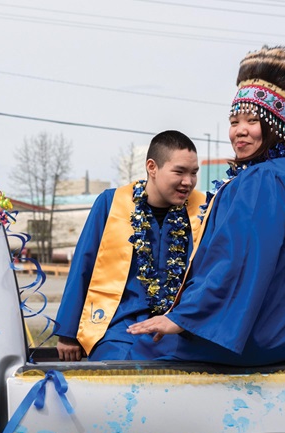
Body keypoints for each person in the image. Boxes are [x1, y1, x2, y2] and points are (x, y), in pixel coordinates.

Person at [126, 45, 285, 365]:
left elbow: (235, 257)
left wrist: (183, 317)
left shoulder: (262, 180)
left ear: (278, 124)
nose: (239, 131)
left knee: (131, 348)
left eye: (253, 119)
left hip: (251, 341)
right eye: (234, 121)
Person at [54, 130, 206, 361]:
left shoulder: (204, 209)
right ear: (152, 167)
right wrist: (67, 332)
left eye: (194, 173)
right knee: (115, 368)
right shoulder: (112, 203)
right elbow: (84, 263)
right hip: (120, 327)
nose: (188, 182)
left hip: (179, 327)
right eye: (179, 172)